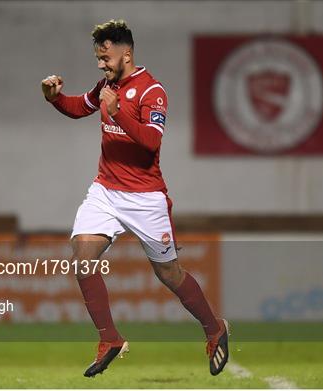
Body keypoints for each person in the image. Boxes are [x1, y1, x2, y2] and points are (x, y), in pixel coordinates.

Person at [41, 19, 228, 378]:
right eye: (98, 58)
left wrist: (117, 112)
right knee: (82, 258)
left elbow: (151, 142)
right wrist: (55, 99)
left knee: (168, 273)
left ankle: (214, 328)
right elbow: (80, 106)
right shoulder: (107, 86)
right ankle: (109, 338)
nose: (101, 64)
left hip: (145, 198)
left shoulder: (151, 91)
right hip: (106, 192)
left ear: (126, 53)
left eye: (105, 57)